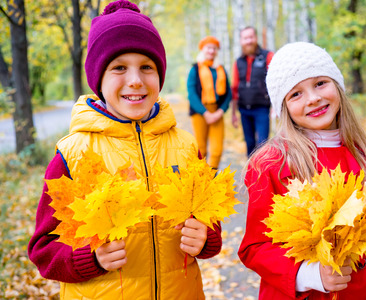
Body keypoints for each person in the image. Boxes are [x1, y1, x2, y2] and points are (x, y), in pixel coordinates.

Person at [28, 1, 222, 299]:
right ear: (99, 81)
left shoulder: (186, 147)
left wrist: (206, 239)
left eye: (147, 67)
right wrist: (89, 258)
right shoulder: (73, 155)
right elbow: (43, 251)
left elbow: (210, 224)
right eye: (119, 68)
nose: (135, 80)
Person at [238, 42, 366, 299]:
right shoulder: (271, 164)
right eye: (296, 94)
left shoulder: (363, 160)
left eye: (320, 83)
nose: (313, 98)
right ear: (283, 108)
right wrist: (310, 274)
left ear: (337, 85)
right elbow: (255, 247)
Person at [187, 36, 231, 169]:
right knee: (201, 149)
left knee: (217, 150)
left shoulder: (221, 69)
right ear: (203, 49)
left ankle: (211, 178)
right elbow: (191, 93)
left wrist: (220, 112)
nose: (211, 51)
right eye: (208, 48)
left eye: (214, 48)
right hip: (199, 112)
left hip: (217, 111)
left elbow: (228, 94)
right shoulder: (195, 69)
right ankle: (201, 181)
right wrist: (205, 113)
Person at [231, 26, 274, 157]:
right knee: (249, 145)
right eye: (245, 38)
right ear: (241, 41)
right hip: (244, 110)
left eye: (251, 37)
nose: (248, 41)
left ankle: (263, 175)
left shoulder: (268, 56)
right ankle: (251, 175)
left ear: (256, 38)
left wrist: (275, 107)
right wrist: (233, 113)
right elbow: (234, 88)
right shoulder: (238, 62)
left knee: (262, 145)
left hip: (262, 109)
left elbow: (275, 82)